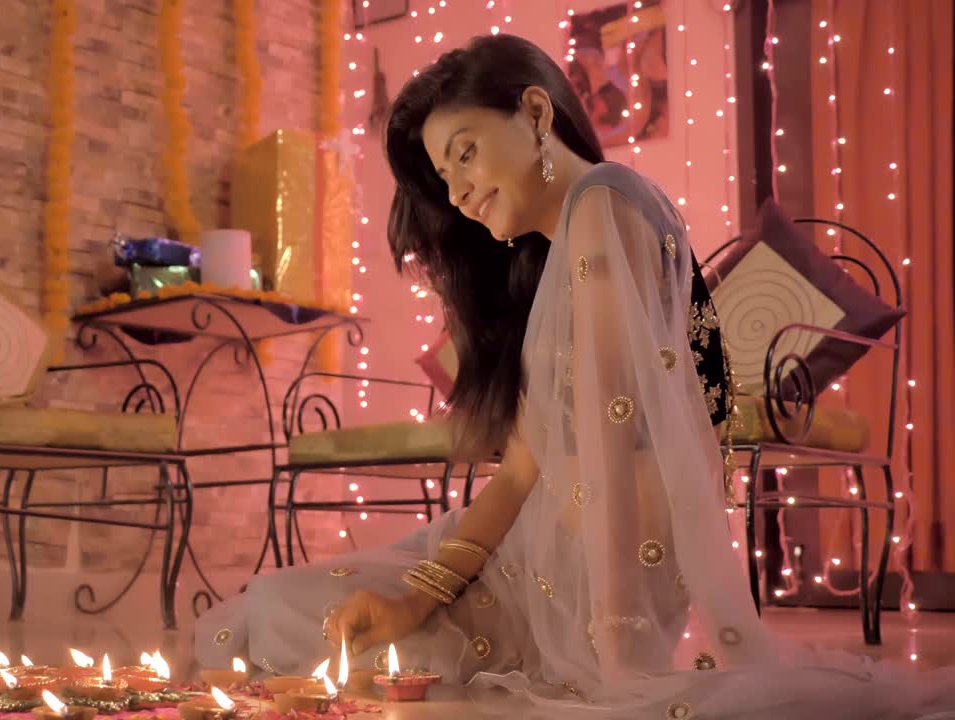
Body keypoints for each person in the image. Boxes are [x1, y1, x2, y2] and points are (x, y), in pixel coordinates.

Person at [195, 34, 955, 719]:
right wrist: (415, 594)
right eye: (441, 172)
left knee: (272, 619)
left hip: (585, 577)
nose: (455, 191)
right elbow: (525, 464)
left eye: (464, 152)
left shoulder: (604, 204)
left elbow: (616, 438)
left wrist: (618, 645)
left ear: (533, 112)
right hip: (524, 552)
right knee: (283, 614)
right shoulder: (556, 255)